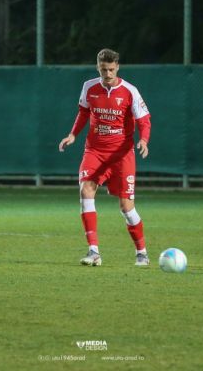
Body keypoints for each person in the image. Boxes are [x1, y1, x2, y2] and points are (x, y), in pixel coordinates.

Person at [58, 48, 151, 267]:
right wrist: (73, 134)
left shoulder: (130, 91)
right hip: (95, 151)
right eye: (103, 69)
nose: (107, 74)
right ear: (97, 67)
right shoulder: (89, 87)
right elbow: (83, 112)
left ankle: (142, 252)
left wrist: (144, 140)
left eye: (111, 69)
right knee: (85, 190)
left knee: (127, 207)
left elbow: (144, 120)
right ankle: (94, 252)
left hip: (121, 155)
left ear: (117, 67)